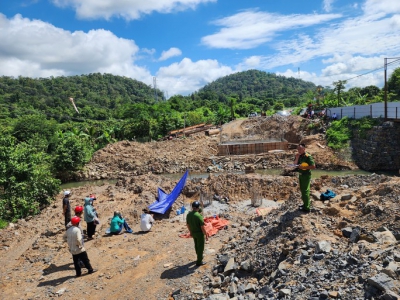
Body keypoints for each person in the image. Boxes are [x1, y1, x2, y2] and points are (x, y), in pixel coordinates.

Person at [294, 143, 316, 213]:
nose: (299, 150)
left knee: (305, 191)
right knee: (302, 190)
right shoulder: (299, 156)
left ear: (304, 149)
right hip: (300, 175)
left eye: (300, 149)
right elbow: (295, 165)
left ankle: (307, 208)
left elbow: (313, 166)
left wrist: (304, 167)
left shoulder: (308, 156)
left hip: (306, 175)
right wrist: (297, 158)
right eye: (298, 149)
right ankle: (305, 204)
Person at [186, 201, 208, 266]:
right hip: (199, 234)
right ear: (198, 207)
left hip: (193, 233)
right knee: (200, 247)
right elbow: (202, 227)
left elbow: (187, 225)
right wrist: (206, 234)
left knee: (196, 245)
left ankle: (199, 256)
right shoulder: (199, 216)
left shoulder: (189, 214)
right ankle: (199, 261)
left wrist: (190, 232)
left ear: (192, 207)